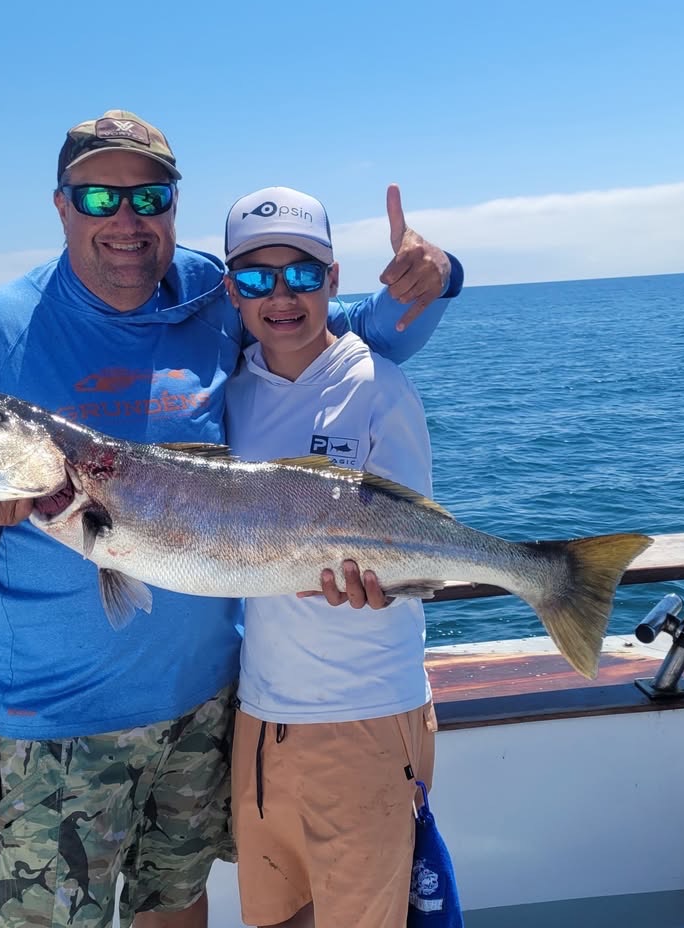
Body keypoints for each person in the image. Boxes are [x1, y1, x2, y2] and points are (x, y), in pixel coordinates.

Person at [0, 109, 462, 928]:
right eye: (98, 197)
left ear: (174, 205)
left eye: (148, 197)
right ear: (60, 204)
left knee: (178, 910)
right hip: (58, 723)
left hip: (207, 706)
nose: (126, 219)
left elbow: (352, 337)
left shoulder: (210, 295)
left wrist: (437, 277)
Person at [223, 186, 439, 928]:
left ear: (334, 280)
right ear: (232, 291)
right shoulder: (229, 393)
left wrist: (388, 580)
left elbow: (413, 537)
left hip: (365, 711)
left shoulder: (378, 385)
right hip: (258, 715)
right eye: (258, 278)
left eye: (303, 275)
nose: (281, 296)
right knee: (277, 919)